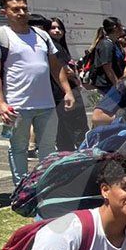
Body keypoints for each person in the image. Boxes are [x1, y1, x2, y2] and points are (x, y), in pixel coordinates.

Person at [0, 0, 75, 184]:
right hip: (17, 105)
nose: (22, 12)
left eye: (24, 8)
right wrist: (0, 102)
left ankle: (45, 184)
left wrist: (67, 90)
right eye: (16, 9)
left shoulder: (41, 35)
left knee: (48, 147)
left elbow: (55, 66)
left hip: (46, 104)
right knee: (19, 147)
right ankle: (21, 186)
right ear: (4, 12)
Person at [46, 17, 90, 151]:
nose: (57, 31)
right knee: (77, 124)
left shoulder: (59, 46)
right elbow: (65, 69)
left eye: (59, 28)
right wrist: (75, 78)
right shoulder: (54, 47)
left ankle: (66, 152)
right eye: (53, 28)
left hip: (63, 91)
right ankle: (83, 151)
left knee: (64, 127)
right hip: (65, 91)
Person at [87, 17, 125, 94]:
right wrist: (117, 85)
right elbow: (108, 68)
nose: (123, 27)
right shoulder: (106, 45)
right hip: (108, 86)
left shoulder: (115, 43)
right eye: (121, 25)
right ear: (115, 27)